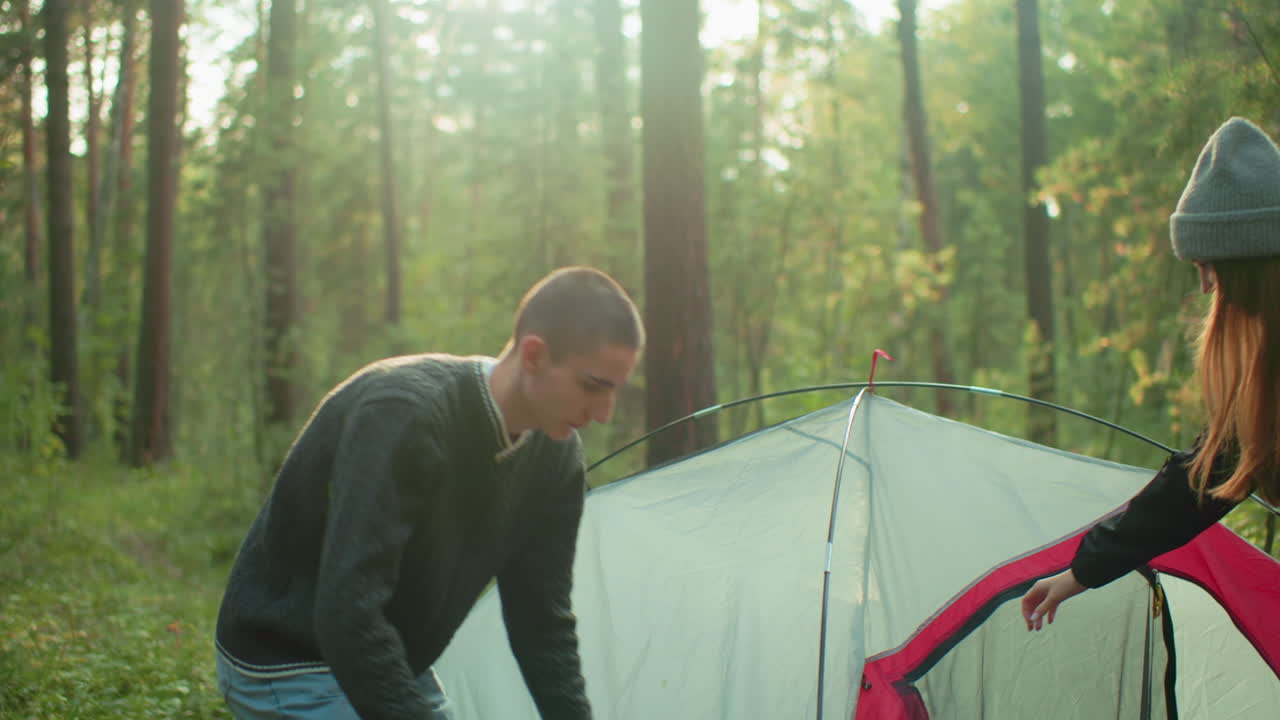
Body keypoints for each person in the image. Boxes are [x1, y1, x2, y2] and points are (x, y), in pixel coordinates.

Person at [215, 266, 644, 718]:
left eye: (615, 391)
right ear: (534, 355)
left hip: (387, 654)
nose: (604, 412)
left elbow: (541, 620)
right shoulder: (404, 415)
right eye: (592, 386)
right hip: (288, 659)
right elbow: (347, 610)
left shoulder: (556, 459)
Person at [1021, 116, 1280, 631]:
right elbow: (1201, 480)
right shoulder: (1266, 380)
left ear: (1247, 264)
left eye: (1208, 268)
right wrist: (1082, 571)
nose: (1206, 288)